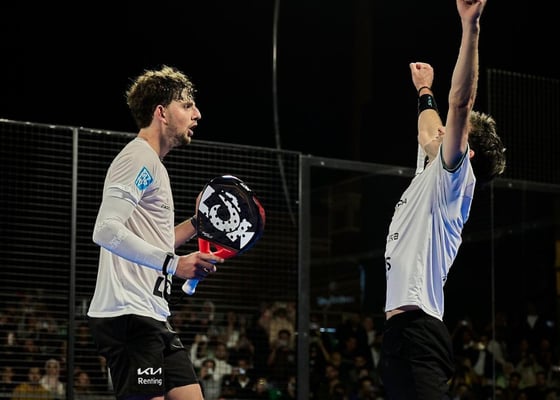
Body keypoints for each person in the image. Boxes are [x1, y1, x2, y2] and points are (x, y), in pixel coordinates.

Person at [379, 0, 506, 399]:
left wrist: (471, 28)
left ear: (465, 149)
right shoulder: (431, 172)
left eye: (449, 131)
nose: (439, 131)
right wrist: (424, 90)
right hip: (401, 335)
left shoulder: (453, 180)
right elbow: (427, 128)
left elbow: (460, 103)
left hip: (418, 334)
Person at [87, 65, 225, 400]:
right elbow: (105, 230)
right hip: (128, 314)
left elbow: (156, 240)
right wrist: (175, 265)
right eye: (187, 105)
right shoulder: (138, 159)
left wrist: (197, 223)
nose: (197, 113)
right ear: (161, 112)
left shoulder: (154, 165)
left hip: (152, 314)